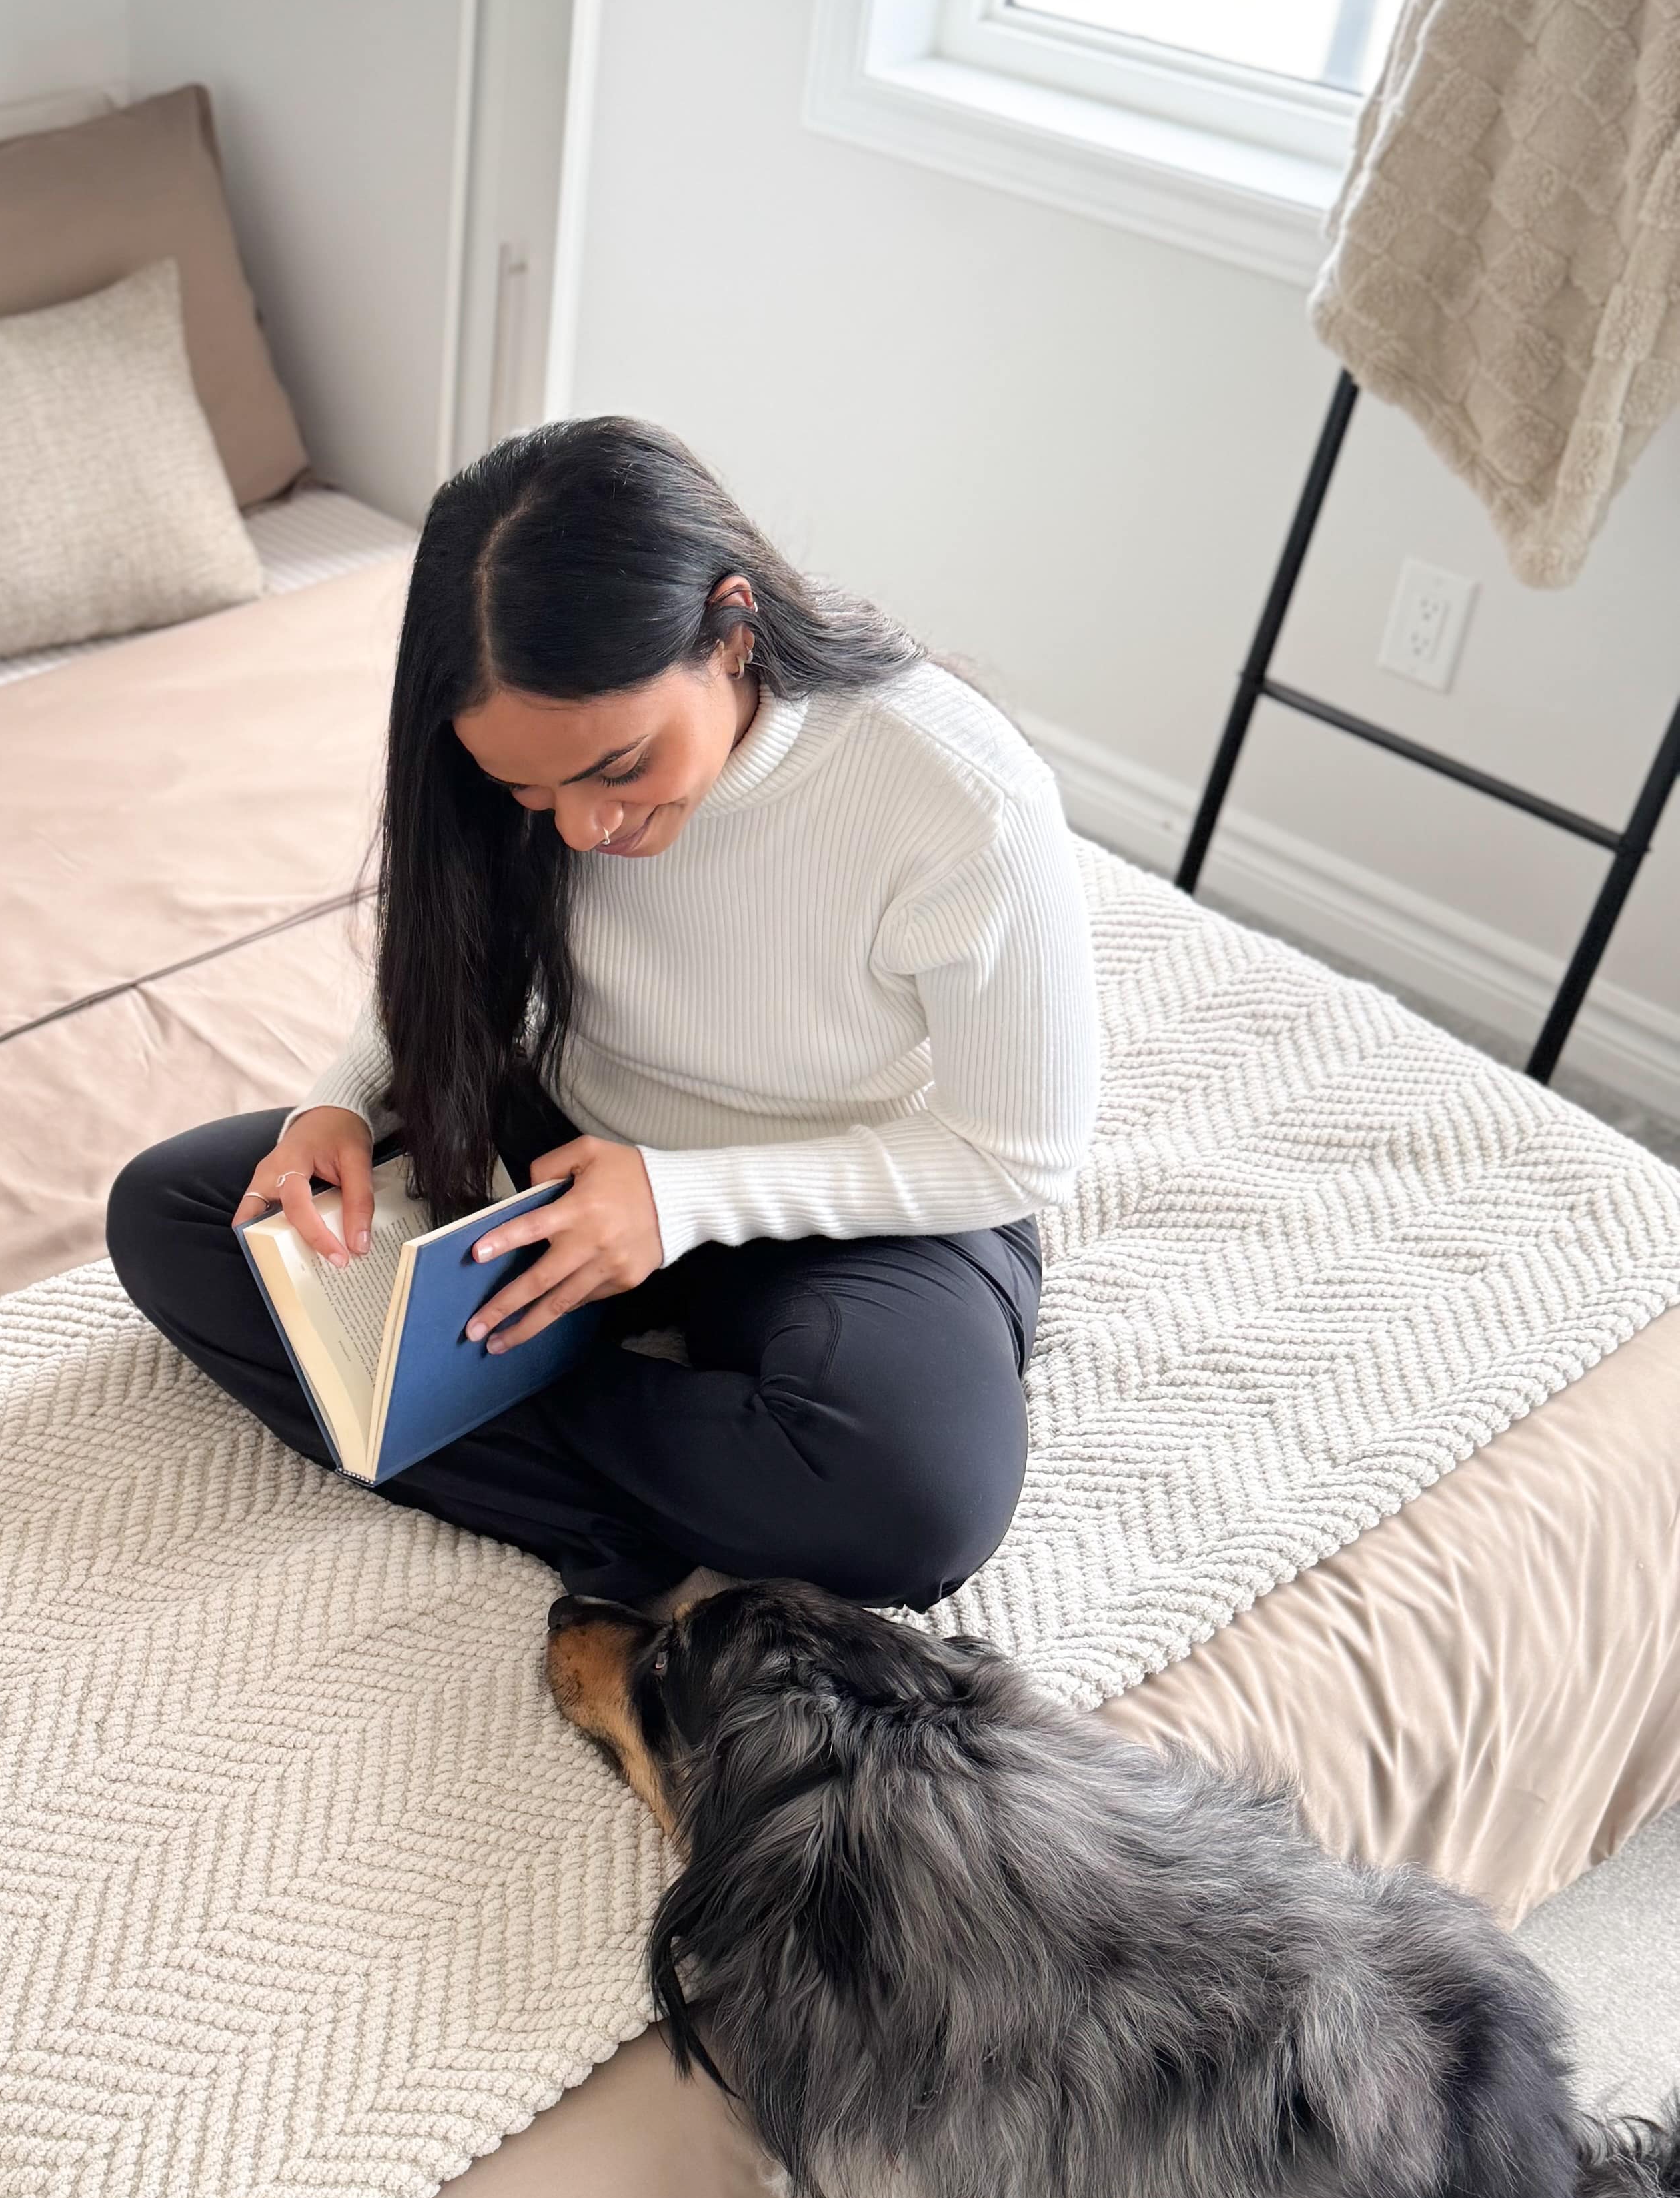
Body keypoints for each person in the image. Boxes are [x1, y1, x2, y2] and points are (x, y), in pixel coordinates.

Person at [105, 416, 1099, 1610]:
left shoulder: (958, 794)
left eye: (618, 769)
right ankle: (624, 1497)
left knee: (912, 1500)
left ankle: (445, 1396)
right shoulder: (503, 751)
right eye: (529, 790)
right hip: (567, 1145)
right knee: (178, 1214)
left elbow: (1016, 1151)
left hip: (838, 1198)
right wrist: (345, 1101)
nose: (580, 829)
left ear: (733, 634)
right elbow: (457, 962)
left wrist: (680, 1201)